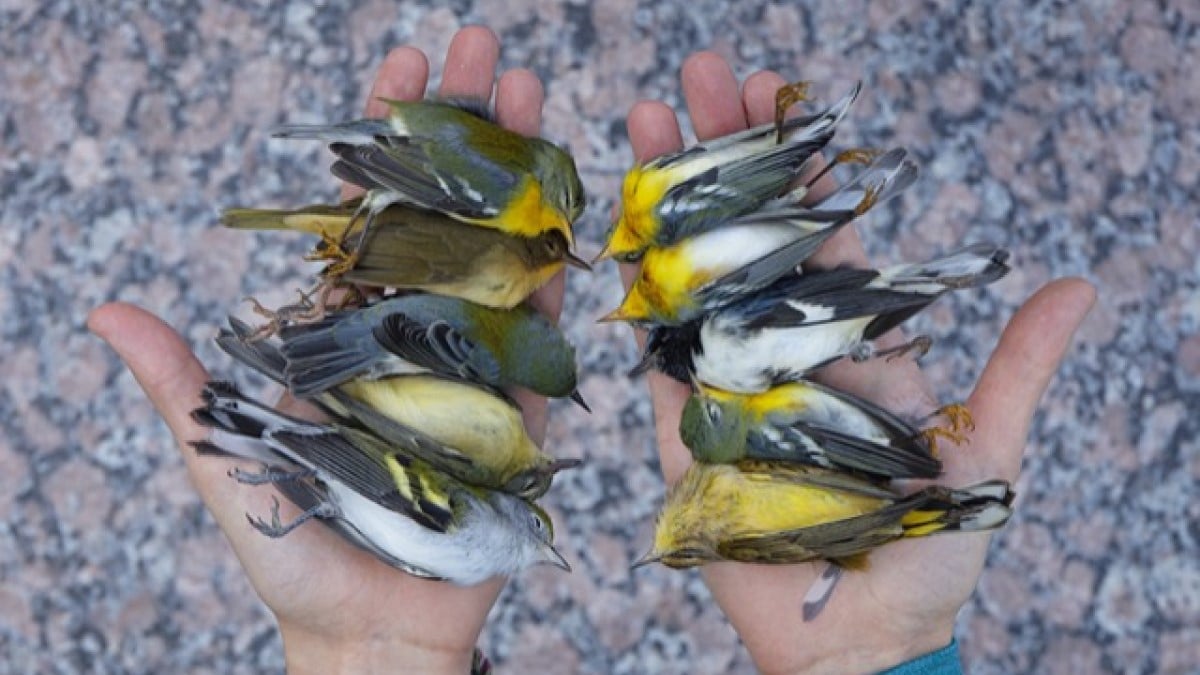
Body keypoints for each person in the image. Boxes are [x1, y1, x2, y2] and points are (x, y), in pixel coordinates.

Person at [87, 26, 1096, 674]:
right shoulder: (502, 455)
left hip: (445, 375)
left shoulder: (509, 459)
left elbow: (408, 442)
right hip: (465, 363)